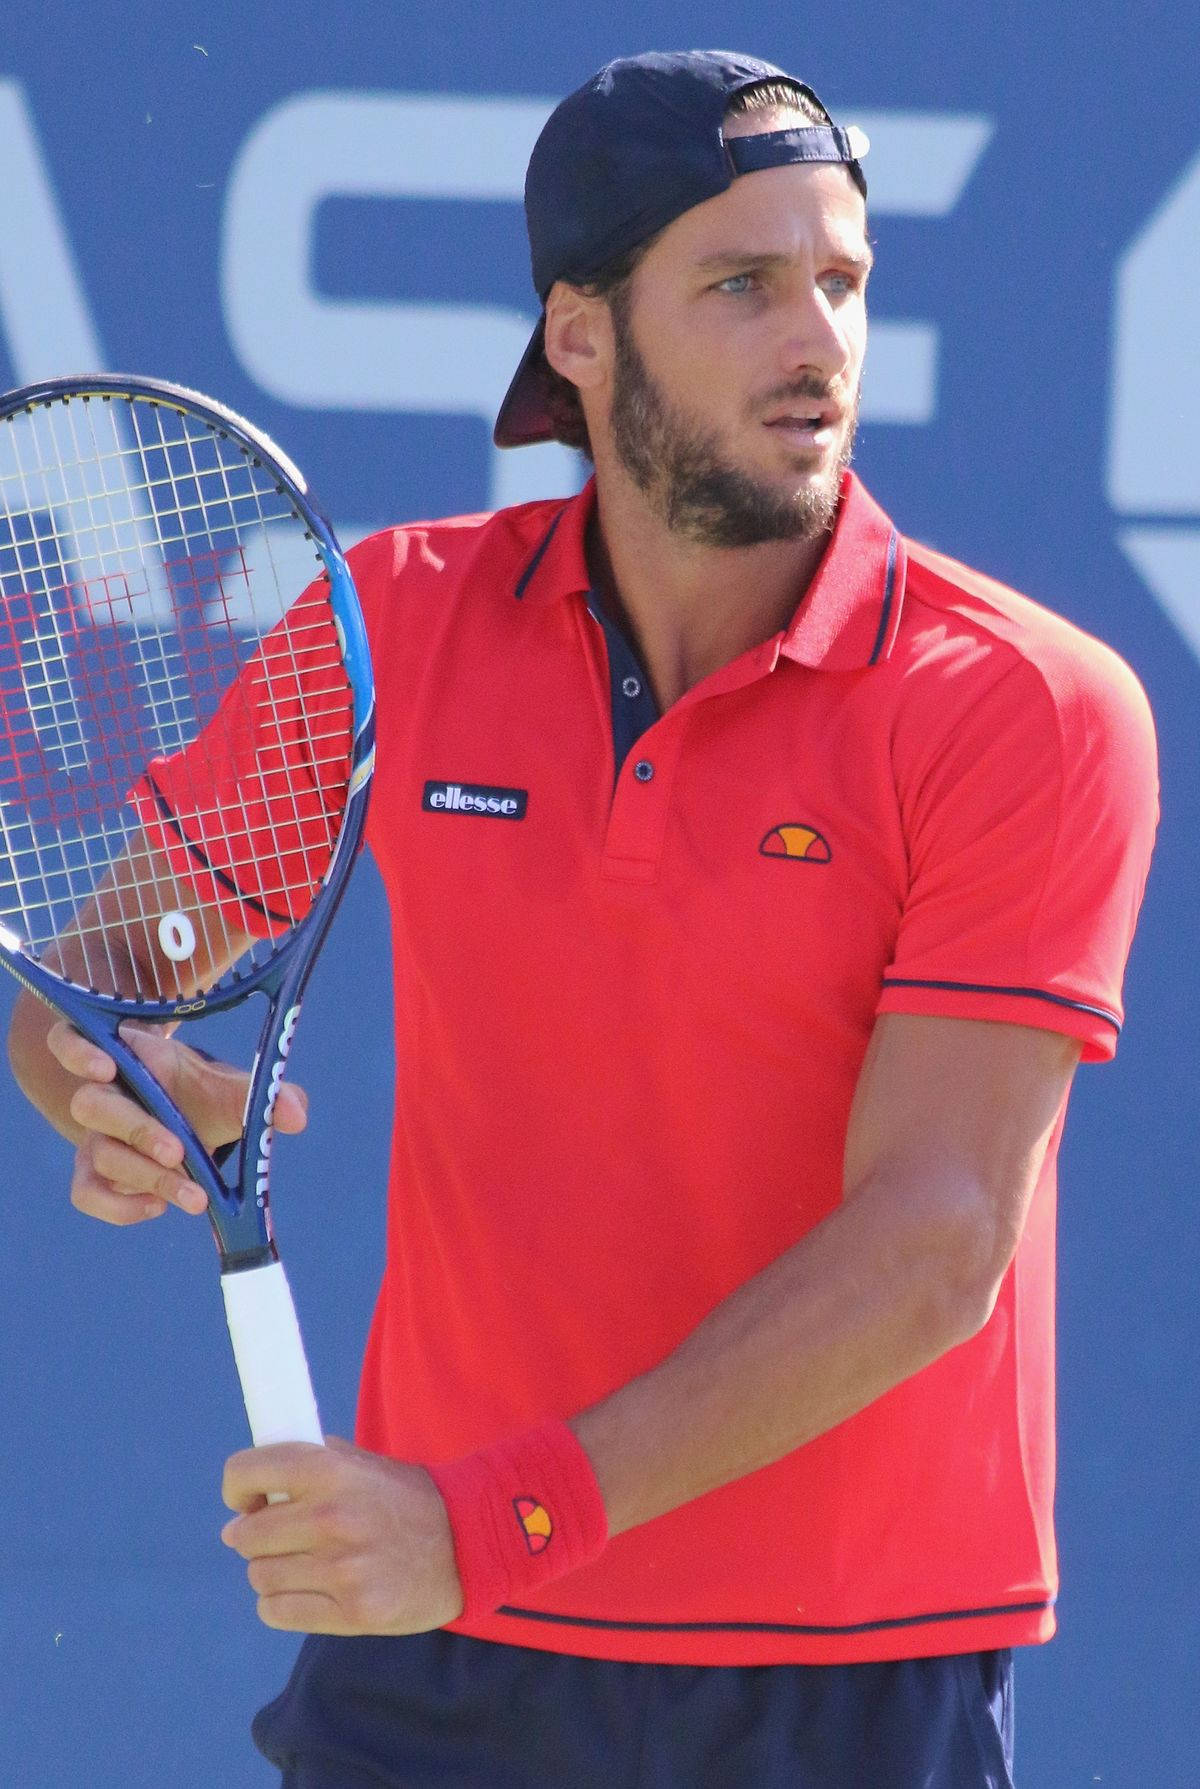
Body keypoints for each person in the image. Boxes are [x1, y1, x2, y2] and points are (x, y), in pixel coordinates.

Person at [7, 49, 1158, 1789]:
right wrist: (101, 1082)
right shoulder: (387, 628)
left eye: (841, 281)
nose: (821, 341)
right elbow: (98, 970)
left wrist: (490, 1521)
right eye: (745, 283)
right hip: (442, 1664)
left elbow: (934, 1241)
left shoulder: (1028, 706)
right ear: (581, 335)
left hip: (839, 1678)